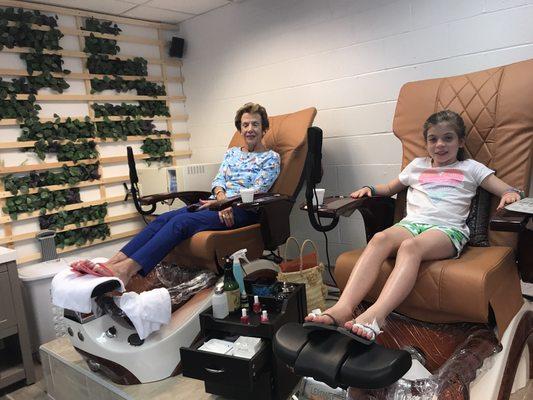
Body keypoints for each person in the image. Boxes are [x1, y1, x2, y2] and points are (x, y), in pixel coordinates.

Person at [306, 110, 523, 341]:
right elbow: (390, 188)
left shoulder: (471, 168)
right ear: (426, 143)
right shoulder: (417, 165)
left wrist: (509, 195)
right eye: (433, 139)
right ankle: (343, 308)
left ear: (460, 141)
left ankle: (376, 316)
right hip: (411, 224)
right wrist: (371, 189)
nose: (440, 144)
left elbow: (508, 189)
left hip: (447, 230)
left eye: (448, 138)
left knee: (410, 247)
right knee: (380, 238)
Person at [73, 103, 280, 285]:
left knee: (180, 224)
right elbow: (218, 181)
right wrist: (219, 199)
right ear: (240, 129)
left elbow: (257, 190)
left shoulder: (271, 158)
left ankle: (126, 271)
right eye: (245, 125)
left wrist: (226, 204)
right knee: (162, 219)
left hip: (242, 210)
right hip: (219, 204)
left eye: (255, 124)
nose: (250, 129)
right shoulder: (233, 153)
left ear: (264, 129)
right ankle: (112, 263)